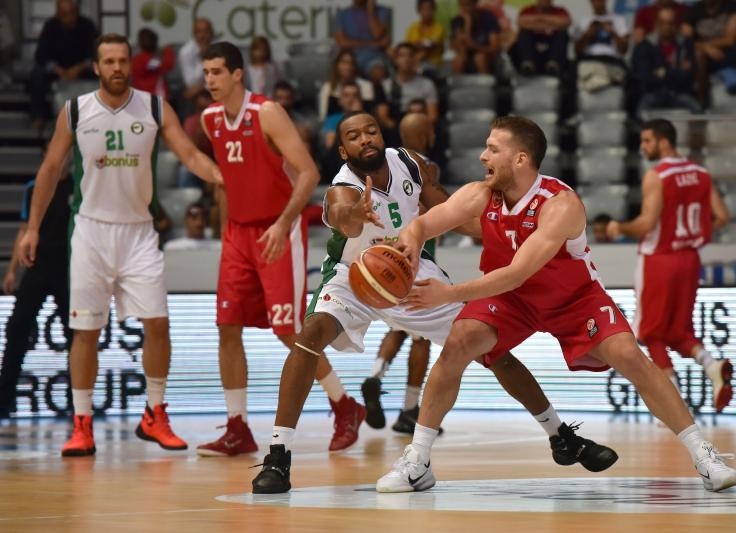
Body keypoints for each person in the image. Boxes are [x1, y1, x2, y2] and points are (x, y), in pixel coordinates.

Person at [250, 111, 619, 494]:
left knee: (489, 345)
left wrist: (522, 232)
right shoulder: (342, 188)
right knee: (309, 335)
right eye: (354, 136)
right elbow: (342, 215)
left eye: (371, 131)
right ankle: (279, 455)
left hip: (409, 270)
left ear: (382, 134)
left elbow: (456, 212)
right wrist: (355, 214)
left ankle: (560, 436)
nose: (366, 139)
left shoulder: (409, 163)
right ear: (343, 151)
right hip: (356, 275)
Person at [377, 115, 736, 493]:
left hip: (573, 299)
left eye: (492, 149)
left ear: (520, 159)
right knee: (458, 343)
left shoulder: (560, 204)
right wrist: (411, 244)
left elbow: (518, 272)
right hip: (512, 300)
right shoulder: (480, 193)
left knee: (630, 356)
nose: (483, 156)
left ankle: (704, 456)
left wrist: (449, 293)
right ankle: (417, 461)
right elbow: (423, 224)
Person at [18, 33, 224, 457]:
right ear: (96, 67)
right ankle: (81, 423)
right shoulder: (76, 110)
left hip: (139, 233)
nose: (116, 68)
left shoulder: (154, 107)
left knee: (158, 324)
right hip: (91, 232)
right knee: (85, 332)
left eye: (122, 61)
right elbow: (50, 169)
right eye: (108, 61)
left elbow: (190, 156)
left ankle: (154, 414)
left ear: (131, 64)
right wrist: (32, 227)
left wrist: (224, 176)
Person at [197, 42, 365, 456]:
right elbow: (226, 183)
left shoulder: (266, 112)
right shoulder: (209, 118)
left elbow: (308, 172)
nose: (209, 80)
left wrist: (283, 223)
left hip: (278, 228)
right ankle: (237, 427)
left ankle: (345, 406)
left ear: (237, 74)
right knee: (227, 326)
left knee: (289, 330)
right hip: (237, 234)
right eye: (206, 72)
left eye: (217, 72)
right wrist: (225, 232)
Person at [606, 118, 733, 410]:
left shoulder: (657, 175)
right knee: (679, 332)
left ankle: (673, 403)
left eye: (647, 141)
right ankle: (711, 365)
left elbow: (646, 224)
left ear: (663, 141)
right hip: (690, 258)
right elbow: (723, 217)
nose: (643, 147)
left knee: (650, 333)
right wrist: (693, 234)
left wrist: (618, 228)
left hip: (659, 259)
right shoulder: (701, 173)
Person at [361, 111, 442, 433]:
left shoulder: (387, 164)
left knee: (398, 327)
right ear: (425, 136)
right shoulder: (425, 167)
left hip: (386, 256)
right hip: (417, 258)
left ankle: (375, 375)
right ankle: (409, 409)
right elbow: (434, 210)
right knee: (422, 337)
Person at [0, 158, 72, 419]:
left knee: (76, 335)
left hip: (68, 268)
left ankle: (78, 402)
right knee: (17, 328)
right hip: (37, 265)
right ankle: (4, 400)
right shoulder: (35, 186)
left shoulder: (79, 186)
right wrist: (12, 270)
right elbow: (24, 229)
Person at [28, 0, 98, 129]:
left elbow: (96, 53)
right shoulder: (51, 26)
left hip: (81, 69)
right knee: (37, 74)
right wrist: (57, 69)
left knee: (103, 72)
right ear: (58, 14)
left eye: (72, 13)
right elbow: (41, 54)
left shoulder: (87, 25)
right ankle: (38, 117)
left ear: (77, 12)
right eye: (65, 14)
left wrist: (79, 67)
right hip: (57, 70)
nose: (69, 18)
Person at [632, 6, 701, 118]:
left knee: (697, 112)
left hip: (680, 93)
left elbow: (688, 76)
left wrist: (661, 72)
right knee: (641, 114)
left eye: (670, 23)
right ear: (657, 24)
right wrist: (677, 71)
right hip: (653, 94)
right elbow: (645, 77)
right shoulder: (645, 46)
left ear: (676, 24)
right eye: (663, 23)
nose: (667, 26)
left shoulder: (686, 45)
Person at [378, 42, 439, 126]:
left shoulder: (427, 84)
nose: (406, 59)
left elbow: (432, 116)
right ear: (395, 60)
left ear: (415, 59)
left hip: (420, 125)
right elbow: (383, 116)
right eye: (402, 55)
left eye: (410, 55)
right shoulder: (385, 85)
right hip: (395, 127)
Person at [574, 0, 628, 92]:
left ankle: (598, 81)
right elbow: (577, 51)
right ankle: (602, 80)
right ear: (591, 2)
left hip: (611, 60)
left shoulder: (618, 20)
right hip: (589, 59)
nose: (598, 3)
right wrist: (586, 35)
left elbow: (624, 50)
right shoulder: (583, 21)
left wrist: (613, 33)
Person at [510, 0, 571, 77]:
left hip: (552, 46)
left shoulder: (560, 11)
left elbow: (565, 22)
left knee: (562, 34)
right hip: (533, 46)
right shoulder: (527, 10)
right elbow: (521, 22)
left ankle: (553, 64)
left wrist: (537, 21)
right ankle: (528, 63)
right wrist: (551, 25)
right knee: (524, 33)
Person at [334, 0, 392, 75]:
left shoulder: (382, 11)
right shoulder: (342, 14)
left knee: (378, 72)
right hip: (350, 56)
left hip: (373, 56)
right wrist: (374, 44)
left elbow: (377, 34)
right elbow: (342, 42)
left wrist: (370, 11)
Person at [318, 50, 375, 121]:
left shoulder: (366, 86)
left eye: (351, 63)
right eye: (344, 62)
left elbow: (370, 114)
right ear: (336, 65)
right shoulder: (328, 87)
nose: (348, 67)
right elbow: (323, 116)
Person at [450, 0, 501, 75]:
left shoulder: (488, 17)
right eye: (462, 5)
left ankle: (485, 81)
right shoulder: (457, 21)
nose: (465, 9)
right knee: (459, 59)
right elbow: (461, 46)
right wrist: (468, 23)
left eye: (468, 5)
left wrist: (475, 46)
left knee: (479, 57)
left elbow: (494, 48)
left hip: (486, 56)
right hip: (466, 56)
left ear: (475, 4)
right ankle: (457, 81)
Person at [179, 18, 214, 108]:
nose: (202, 36)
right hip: (196, 94)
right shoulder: (185, 52)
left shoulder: (219, 49)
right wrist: (203, 59)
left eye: (206, 31)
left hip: (213, 89)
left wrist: (203, 86)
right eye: (199, 32)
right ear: (194, 34)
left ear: (212, 33)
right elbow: (190, 83)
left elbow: (221, 78)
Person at [131, 27, 175, 99]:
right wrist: (168, 51)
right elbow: (168, 65)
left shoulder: (136, 60)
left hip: (142, 97)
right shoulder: (147, 60)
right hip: (153, 98)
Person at [405, 0, 445, 70]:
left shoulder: (439, 28)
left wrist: (421, 45)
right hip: (415, 62)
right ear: (418, 11)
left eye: (429, 9)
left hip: (433, 64)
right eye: (423, 9)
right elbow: (411, 46)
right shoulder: (412, 28)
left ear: (434, 10)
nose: (427, 12)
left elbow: (432, 45)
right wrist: (425, 43)